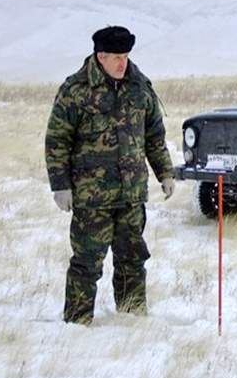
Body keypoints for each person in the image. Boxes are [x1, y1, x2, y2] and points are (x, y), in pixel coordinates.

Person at [45, 25, 175, 324]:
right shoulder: (75, 91)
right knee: (87, 264)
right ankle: (77, 325)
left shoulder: (140, 87)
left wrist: (164, 172)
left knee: (133, 260)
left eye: (126, 56)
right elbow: (57, 140)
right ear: (100, 56)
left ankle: (132, 320)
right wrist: (60, 185)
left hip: (131, 196)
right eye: (116, 57)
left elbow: (154, 134)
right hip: (92, 197)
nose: (122, 63)